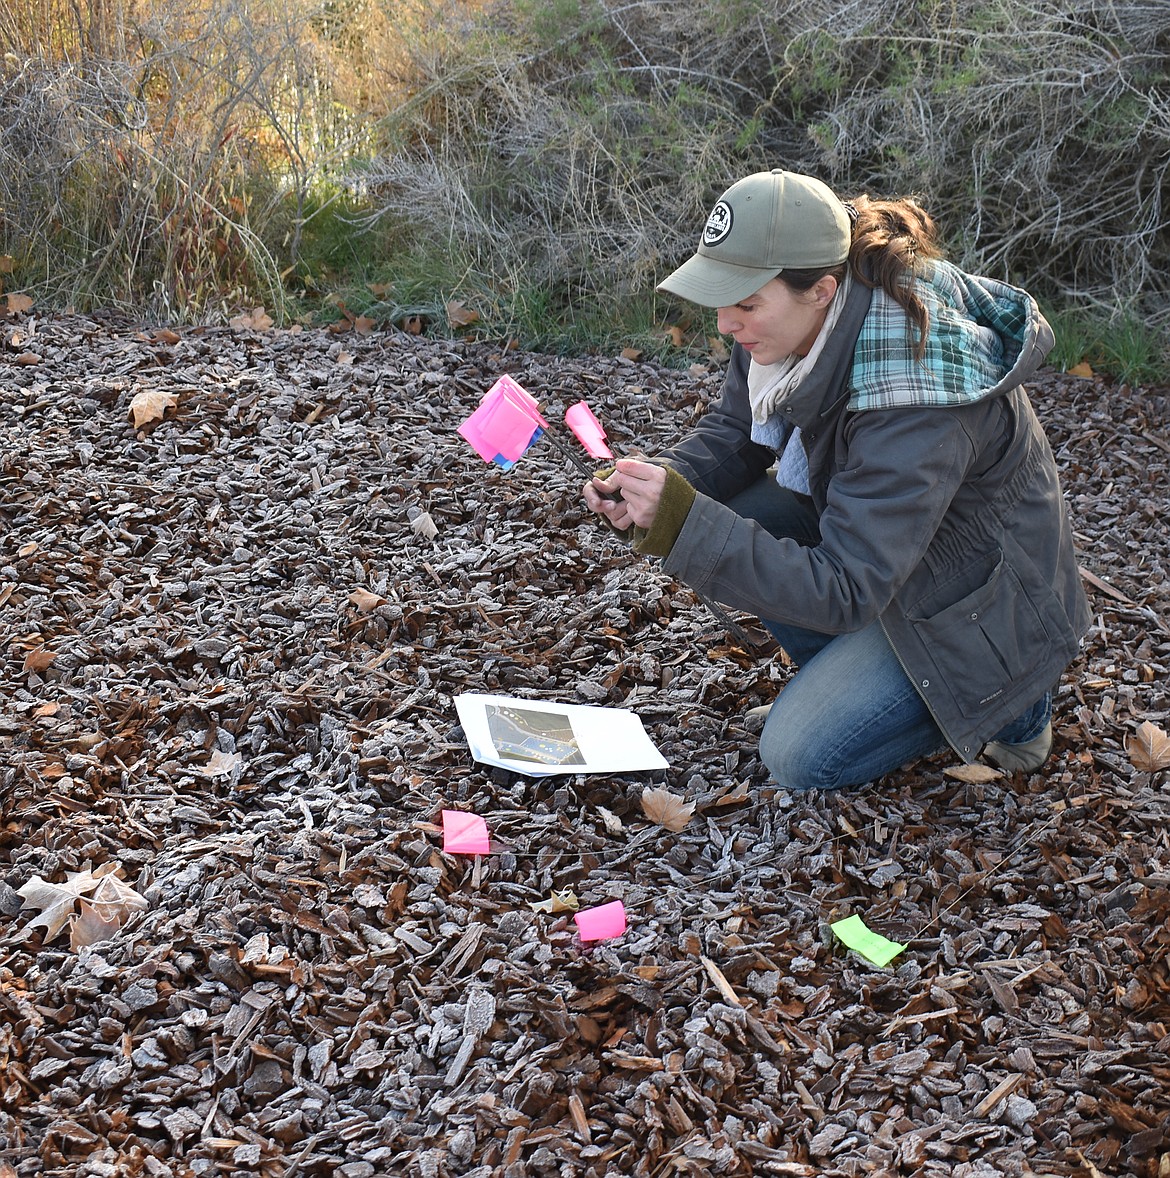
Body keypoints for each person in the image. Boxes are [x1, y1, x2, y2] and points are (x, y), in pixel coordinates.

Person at [583, 168, 1090, 791]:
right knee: (740, 509)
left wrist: (685, 522)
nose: (725, 324)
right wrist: (663, 486)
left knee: (799, 755)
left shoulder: (911, 391)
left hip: (982, 607)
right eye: (723, 298)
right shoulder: (798, 308)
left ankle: (1016, 708)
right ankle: (852, 684)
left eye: (744, 304)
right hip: (894, 559)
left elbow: (847, 588)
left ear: (821, 290)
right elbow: (737, 429)